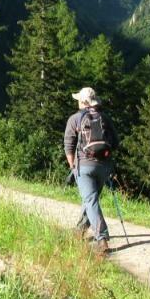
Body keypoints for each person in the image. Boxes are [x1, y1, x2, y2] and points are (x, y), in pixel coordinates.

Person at [63, 87, 119, 253]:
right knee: (91, 199)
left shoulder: (74, 119)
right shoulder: (105, 118)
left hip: (84, 166)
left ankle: (102, 238)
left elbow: (69, 145)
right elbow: (115, 142)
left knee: (91, 200)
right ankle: (80, 230)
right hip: (103, 166)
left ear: (82, 102)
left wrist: (72, 165)